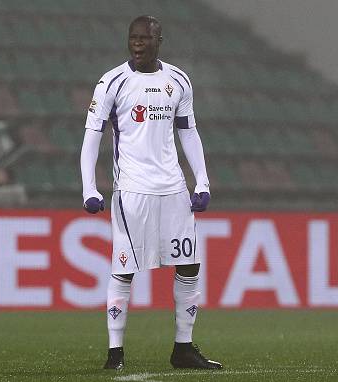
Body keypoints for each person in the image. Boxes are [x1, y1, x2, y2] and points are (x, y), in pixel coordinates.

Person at [80, 15, 222, 371]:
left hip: (173, 189)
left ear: (159, 40)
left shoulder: (178, 80)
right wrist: (89, 188)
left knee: (189, 264)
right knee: (124, 268)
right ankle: (115, 353)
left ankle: (183, 348)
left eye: (145, 38)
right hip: (132, 190)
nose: (138, 43)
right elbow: (92, 137)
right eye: (133, 38)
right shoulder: (112, 82)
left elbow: (188, 132)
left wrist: (201, 182)